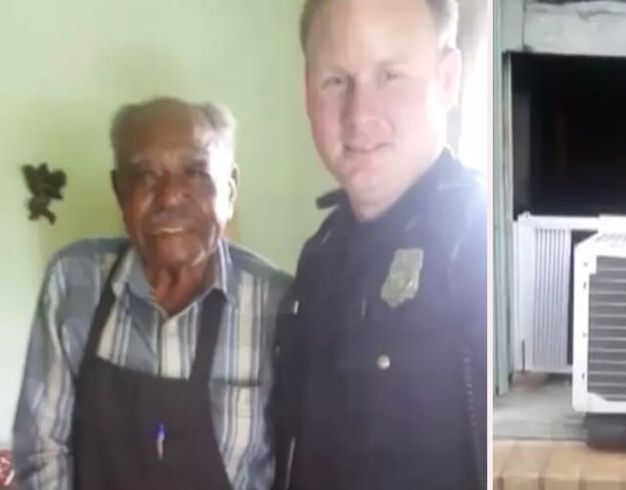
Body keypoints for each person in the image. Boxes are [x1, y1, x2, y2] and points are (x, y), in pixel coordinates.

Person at [12, 97, 290, 490]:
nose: (170, 196)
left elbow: (297, 465)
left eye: (195, 172)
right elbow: (42, 451)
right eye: (144, 176)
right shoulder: (73, 283)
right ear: (119, 192)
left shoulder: (278, 303)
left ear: (230, 189)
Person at [272, 0, 487, 488]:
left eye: (391, 76)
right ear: (307, 91)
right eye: (336, 81)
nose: (359, 114)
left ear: (448, 79)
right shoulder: (320, 253)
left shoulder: (478, 244)